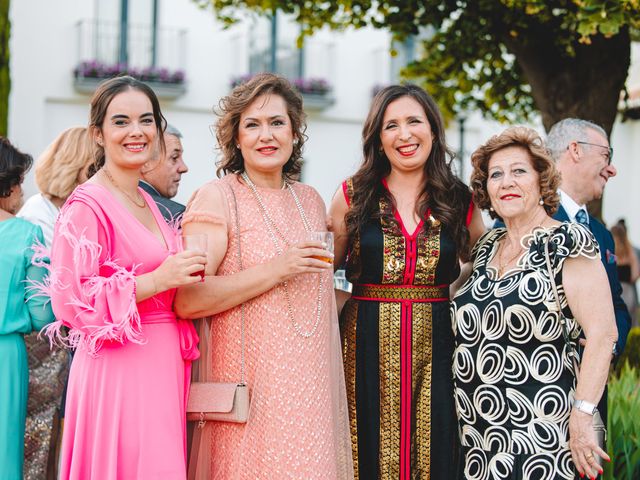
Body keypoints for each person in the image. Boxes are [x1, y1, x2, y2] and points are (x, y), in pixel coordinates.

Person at [175, 73, 353, 479]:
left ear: (294, 133)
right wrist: (276, 269)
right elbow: (188, 299)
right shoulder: (218, 197)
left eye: (276, 122)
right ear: (236, 139)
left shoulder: (310, 201)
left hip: (310, 396)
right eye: (251, 125)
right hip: (251, 401)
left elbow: (316, 295)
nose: (265, 135)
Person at [41, 76, 206, 479]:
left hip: (164, 364)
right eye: (121, 121)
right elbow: (70, 301)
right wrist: (156, 281)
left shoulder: (149, 199)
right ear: (98, 134)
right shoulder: (87, 204)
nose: (136, 131)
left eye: (146, 120)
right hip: (118, 370)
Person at [328, 84, 485, 479]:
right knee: (362, 450)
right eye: (390, 125)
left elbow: (487, 270)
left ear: (433, 129)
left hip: (440, 347)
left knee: (436, 451)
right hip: (361, 346)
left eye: (414, 121)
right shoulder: (352, 195)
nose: (404, 134)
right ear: (378, 140)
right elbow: (322, 271)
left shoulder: (460, 199)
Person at [453, 126, 617, 479]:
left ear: (542, 181)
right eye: (495, 174)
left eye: (519, 171)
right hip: (477, 437)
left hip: (543, 435)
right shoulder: (485, 249)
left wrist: (583, 414)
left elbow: (603, 334)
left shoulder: (568, 241)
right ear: (487, 191)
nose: (506, 181)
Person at [16, 126, 94, 480]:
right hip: (41, 351)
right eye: (97, 166)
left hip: (60, 347)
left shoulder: (65, 211)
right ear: (80, 167)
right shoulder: (38, 214)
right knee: (39, 442)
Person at [546, 118, 631, 357]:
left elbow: (616, 305)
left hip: (594, 387)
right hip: (539, 382)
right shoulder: (526, 219)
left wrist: (609, 347)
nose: (612, 169)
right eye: (606, 156)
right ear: (576, 150)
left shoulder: (602, 234)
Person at [0, 137, 55, 480]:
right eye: (19, 181)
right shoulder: (27, 234)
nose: (22, 191)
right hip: (6, 355)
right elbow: (42, 314)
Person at [139, 123, 188, 223]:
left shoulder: (109, 201)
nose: (184, 168)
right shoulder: (174, 215)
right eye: (174, 157)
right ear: (144, 162)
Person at [611, 222, 639, 322]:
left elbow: (609, 271)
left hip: (615, 292)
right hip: (629, 292)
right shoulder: (630, 253)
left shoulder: (612, 254)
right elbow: (635, 275)